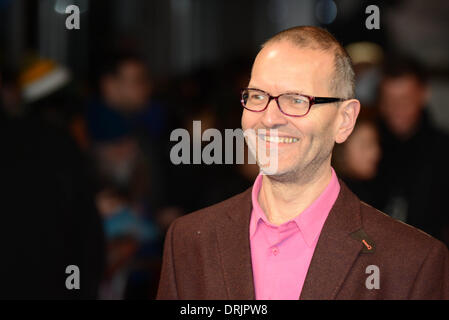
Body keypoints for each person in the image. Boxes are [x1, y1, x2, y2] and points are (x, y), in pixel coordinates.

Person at [157, 26, 449, 300]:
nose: (269, 118)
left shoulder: (411, 263)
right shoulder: (189, 241)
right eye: (257, 96)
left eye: (297, 100)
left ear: (344, 120)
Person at [375, 57, 449, 245]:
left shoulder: (442, 150)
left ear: (423, 95)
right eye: (389, 100)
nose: (397, 108)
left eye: (405, 99)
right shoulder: (368, 147)